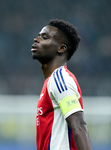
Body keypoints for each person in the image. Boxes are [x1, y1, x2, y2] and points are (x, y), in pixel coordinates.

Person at [31, 19, 92, 150]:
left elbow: (79, 125)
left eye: (45, 37)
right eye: (38, 36)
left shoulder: (60, 79)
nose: (36, 39)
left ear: (61, 48)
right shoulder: (52, 81)